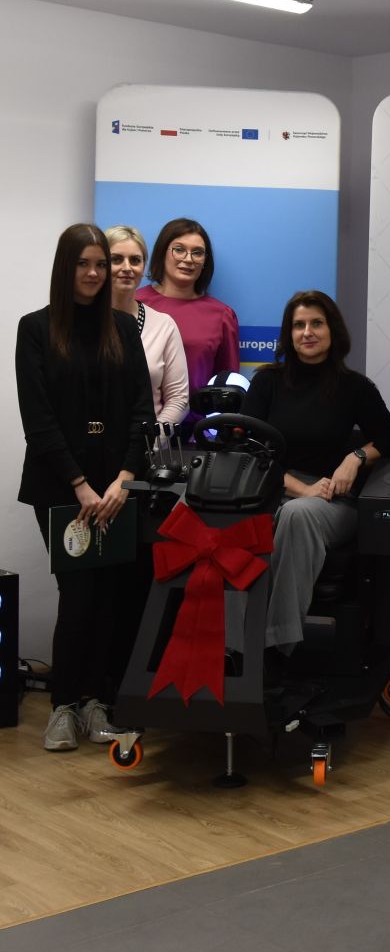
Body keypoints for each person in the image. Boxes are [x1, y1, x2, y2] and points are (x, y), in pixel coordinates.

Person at [16, 224, 154, 750]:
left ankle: (97, 703)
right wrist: (79, 484)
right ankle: (63, 707)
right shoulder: (35, 328)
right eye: (84, 264)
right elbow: (38, 421)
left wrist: (124, 479)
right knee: (77, 593)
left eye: (101, 264)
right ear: (65, 267)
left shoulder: (123, 328)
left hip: (116, 487)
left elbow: (142, 412)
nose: (95, 273)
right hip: (60, 487)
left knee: (111, 596)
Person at [243, 291, 390, 652]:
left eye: (317, 323)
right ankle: (227, 644)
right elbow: (250, 449)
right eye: (298, 325)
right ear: (288, 334)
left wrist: (355, 457)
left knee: (297, 515)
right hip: (274, 488)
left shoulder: (355, 386)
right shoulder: (266, 381)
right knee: (227, 514)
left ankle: (276, 647)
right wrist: (299, 489)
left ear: (333, 330)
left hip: (332, 498)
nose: (307, 332)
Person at [135, 218, 239, 412]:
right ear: (162, 252)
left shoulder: (222, 316)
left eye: (197, 253)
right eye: (179, 249)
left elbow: (226, 387)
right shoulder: (134, 303)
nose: (188, 259)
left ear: (205, 261)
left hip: (198, 426)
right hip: (139, 422)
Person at [107, 226, 188, 425]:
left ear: (143, 267)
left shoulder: (163, 325)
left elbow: (178, 399)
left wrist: (152, 439)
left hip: (148, 440)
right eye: (116, 259)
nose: (127, 267)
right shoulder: (81, 321)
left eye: (135, 260)